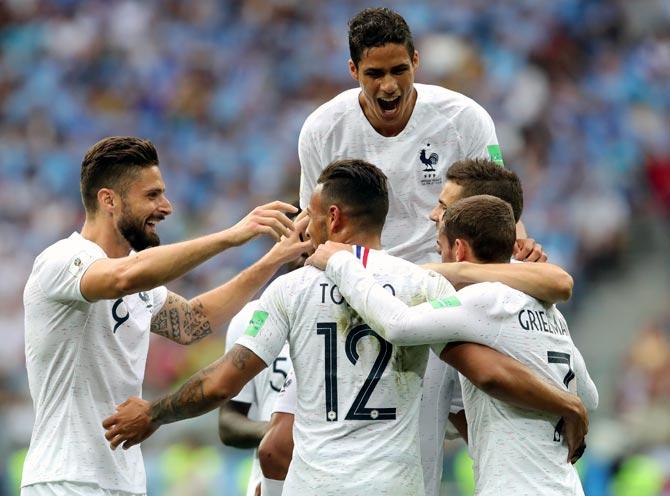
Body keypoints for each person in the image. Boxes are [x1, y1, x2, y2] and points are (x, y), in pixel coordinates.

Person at [103, 161, 585, 496]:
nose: (305, 229)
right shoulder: (424, 286)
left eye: (310, 217)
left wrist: (154, 413)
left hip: (319, 484)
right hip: (395, 485)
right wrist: (563, 401)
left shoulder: (291, 292)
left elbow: (222, 383)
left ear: (332, 217)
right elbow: (486, 371)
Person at [296, 8, 546, 494]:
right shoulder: (322, 129)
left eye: (399, 71)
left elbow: (500, 203)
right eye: (374, 74)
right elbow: (316, 222)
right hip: (368, 290)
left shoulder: (463, 117)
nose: (388, 86)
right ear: (353, 72)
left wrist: (519, 244)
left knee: (499, 416)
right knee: (411, 442)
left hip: (451, 283)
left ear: (416, 61)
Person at [21, 136, 310, 496]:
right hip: (64, 480)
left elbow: (192, 321)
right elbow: (121, 278)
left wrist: (273, 259)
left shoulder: (140, 282)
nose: (166, 206)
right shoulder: (62, 260)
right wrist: (232, 237)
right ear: (109, 200)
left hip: (124, 481)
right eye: (152, 195)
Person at [266, 158, 570, 494]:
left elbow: (557, 285)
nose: (432, 215)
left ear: (473, 218)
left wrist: (341, 263)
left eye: (444, 206)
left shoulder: (456, 294)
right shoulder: (512, 296)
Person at [218, 210, 306, 496]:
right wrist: (280, 431)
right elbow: (228, 422)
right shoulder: (252, 318)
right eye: (298, 238)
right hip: (269, 484)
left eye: (312, 238)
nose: (305, 249)